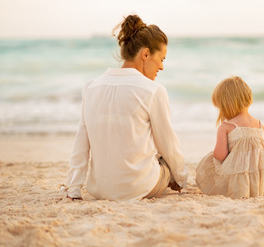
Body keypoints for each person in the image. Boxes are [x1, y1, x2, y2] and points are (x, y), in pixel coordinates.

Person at [63, 14, 187, 202]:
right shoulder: (153, 91)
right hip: (140, 187)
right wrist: (180, 179)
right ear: (145, 54)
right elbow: (168, 144)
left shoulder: (91, 87)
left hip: (98, 189)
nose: (161, 67)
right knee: (164, 157)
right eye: (161, 59)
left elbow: (81, 142)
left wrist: (74, 189)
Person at [195, 76, 264, 198]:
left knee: (208, 160)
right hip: (260, 174)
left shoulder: (227, 126)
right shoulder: (259, 124)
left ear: (226, 105)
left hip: (237, 177)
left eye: (219, 108)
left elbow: (220, 156)